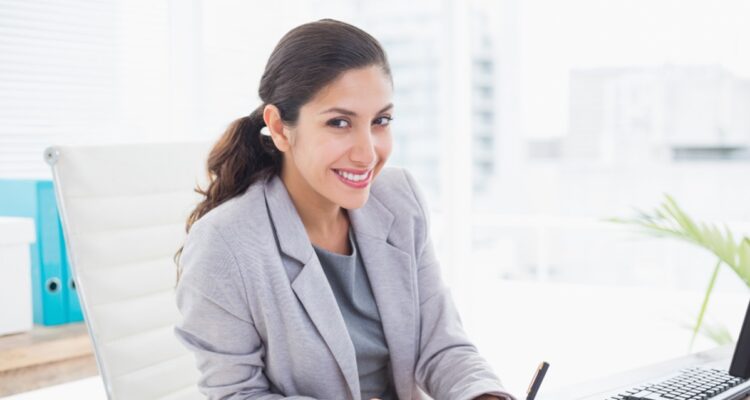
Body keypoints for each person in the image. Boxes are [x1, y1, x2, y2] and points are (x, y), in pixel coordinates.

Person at [173, 18, 517, 400]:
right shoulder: (225, 244)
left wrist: (484, 395)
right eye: (339, 123)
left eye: (380, 121)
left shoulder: (399, 198)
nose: (368, 153)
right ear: (281, 128)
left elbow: (440, 344)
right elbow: (237, 395)